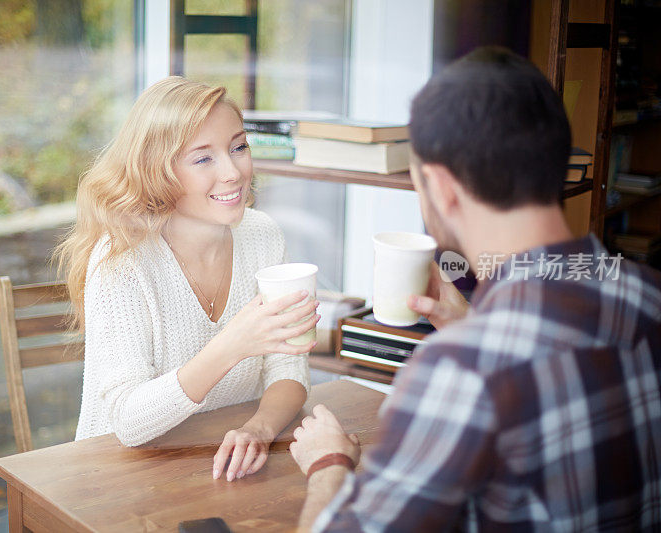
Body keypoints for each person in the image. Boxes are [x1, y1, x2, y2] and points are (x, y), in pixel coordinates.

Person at [290, 47, 661, 531]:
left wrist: (328, 464)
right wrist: (473, 322)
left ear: (442, 188)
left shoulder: (459, 370)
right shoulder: (648, 294)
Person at [55, 76, 319, 482]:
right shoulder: (121, 260)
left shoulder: (262, 234)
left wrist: (259, 429)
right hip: (114, 480)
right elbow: (128, 423)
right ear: (159, 171)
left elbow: (289, 369)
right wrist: (231, 345)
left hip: (218, 468)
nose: (233, 172)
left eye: (238, 147)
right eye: (203, 158)